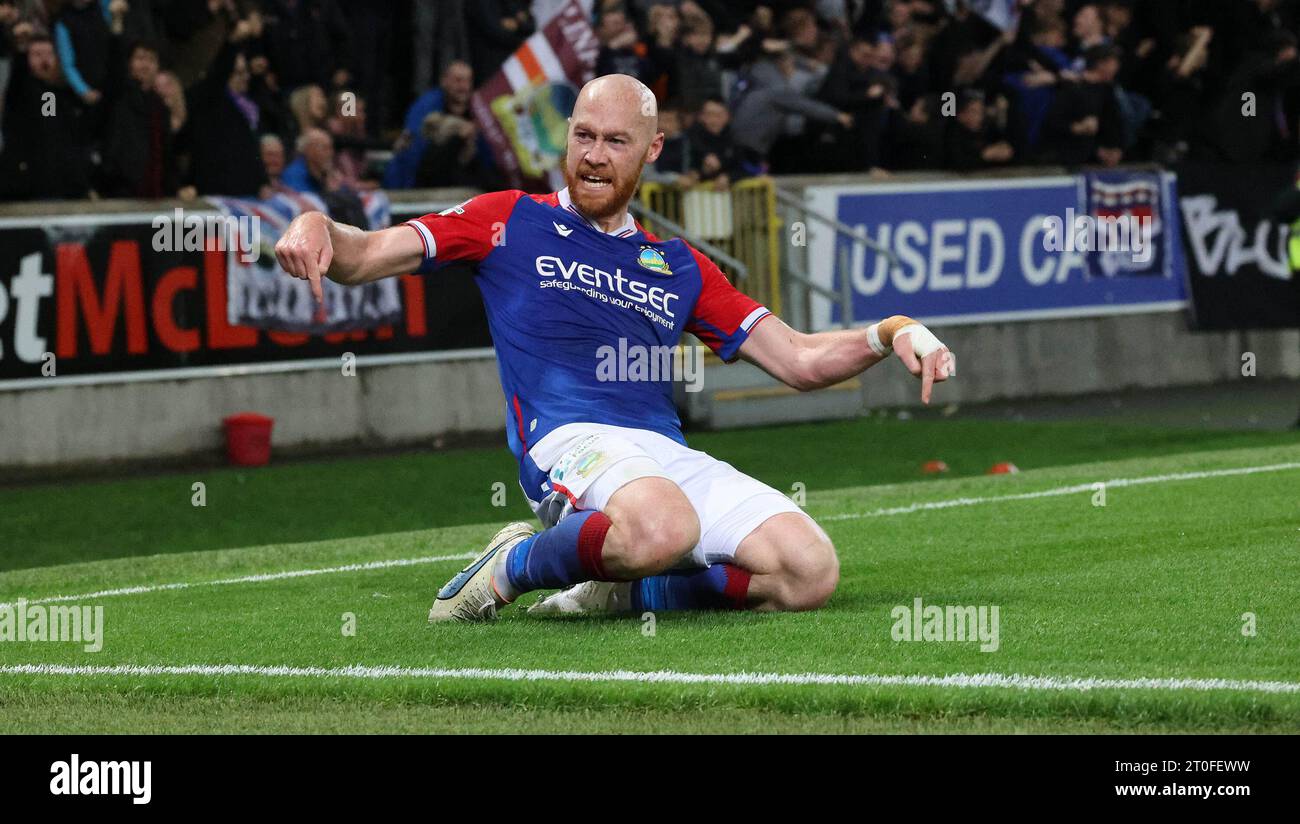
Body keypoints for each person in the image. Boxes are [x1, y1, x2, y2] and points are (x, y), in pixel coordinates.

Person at [274, 74, 956, 623]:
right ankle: (513, 564)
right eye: (584, 136)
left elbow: (802, 361)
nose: (594, 156)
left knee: (808, 572)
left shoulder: (681, 265)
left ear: (652, 150)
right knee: (664, 528)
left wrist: (893, 330)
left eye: (615, 141)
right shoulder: (509, 218)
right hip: (568, 436)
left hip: (663, 453)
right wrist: (313, 224)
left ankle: (624, 592)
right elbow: (366, 255)